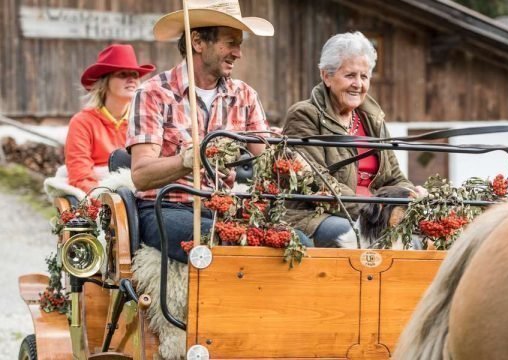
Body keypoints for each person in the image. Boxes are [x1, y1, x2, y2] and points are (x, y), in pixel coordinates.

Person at [126, 0, 274, 263]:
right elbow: (141, 176)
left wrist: (297, 166)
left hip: (221, 209)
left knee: (296, 243)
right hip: (165, 208)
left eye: (239, 44)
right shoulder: (153, 93)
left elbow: (268, 158)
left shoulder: (244, 96)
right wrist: (191, 159)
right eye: (230, 43)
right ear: (197, 42)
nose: (238, 53)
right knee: (226, 239)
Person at [282, 32, 416, 248]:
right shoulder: (304, 115)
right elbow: (316, 182)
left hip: (373, 216)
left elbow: (394, 178)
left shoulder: (373, 120)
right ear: (326, 76)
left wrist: (411, 198)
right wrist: (371, 210)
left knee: (418, 238)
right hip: (314, 215)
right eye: (350, 75)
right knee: (355, 236)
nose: (358, 84)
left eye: (364, 77)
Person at [65, 44, 155, 193]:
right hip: (101, 195)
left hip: (140, 192)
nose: (131, 79)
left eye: (134, 75)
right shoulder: (82, 122)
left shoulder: (145, 121)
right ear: (105, 82)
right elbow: (80, 175)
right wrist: (107, 197)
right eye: (122, 74)